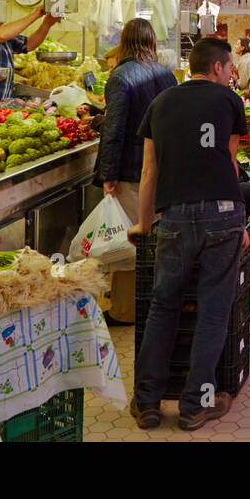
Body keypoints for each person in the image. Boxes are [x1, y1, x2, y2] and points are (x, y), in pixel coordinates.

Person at [126, 37, 249, 431]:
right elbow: (228, 162)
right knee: (214, 310)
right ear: (217, 68)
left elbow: (149, 171)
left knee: (163, 307)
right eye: (230, 68)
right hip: (223, 214)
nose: (232, 74)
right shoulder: (230, 101)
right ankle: (195, 405)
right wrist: (240, 223)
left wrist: (145, 224)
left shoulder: (160, 103)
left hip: (174, 217)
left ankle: (146, 402)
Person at [93, 18, 177, 325]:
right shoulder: (167, 75)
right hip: (162, 168)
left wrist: (108, 174)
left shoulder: (121, 76)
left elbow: (114, 129)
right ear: (152, 41)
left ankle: (126, 310)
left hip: (132, 169)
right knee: (157, 236)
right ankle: (158, 301)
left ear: (124, 41)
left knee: (129, 241)